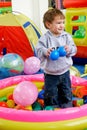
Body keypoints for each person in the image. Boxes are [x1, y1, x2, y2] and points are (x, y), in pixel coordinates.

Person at [36, 8, 77, 108]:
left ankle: (67, 107)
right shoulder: (45, 39)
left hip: (65, 71)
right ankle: (51, 108)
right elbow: (38, 50)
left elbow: (74, 49)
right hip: (50, 74)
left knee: (66, 91)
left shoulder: (66, 36)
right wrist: (46, 51)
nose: (62, 25)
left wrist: (69, 49)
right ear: (48, 24)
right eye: (58, 23)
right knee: (50, 92)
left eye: (63, 22)